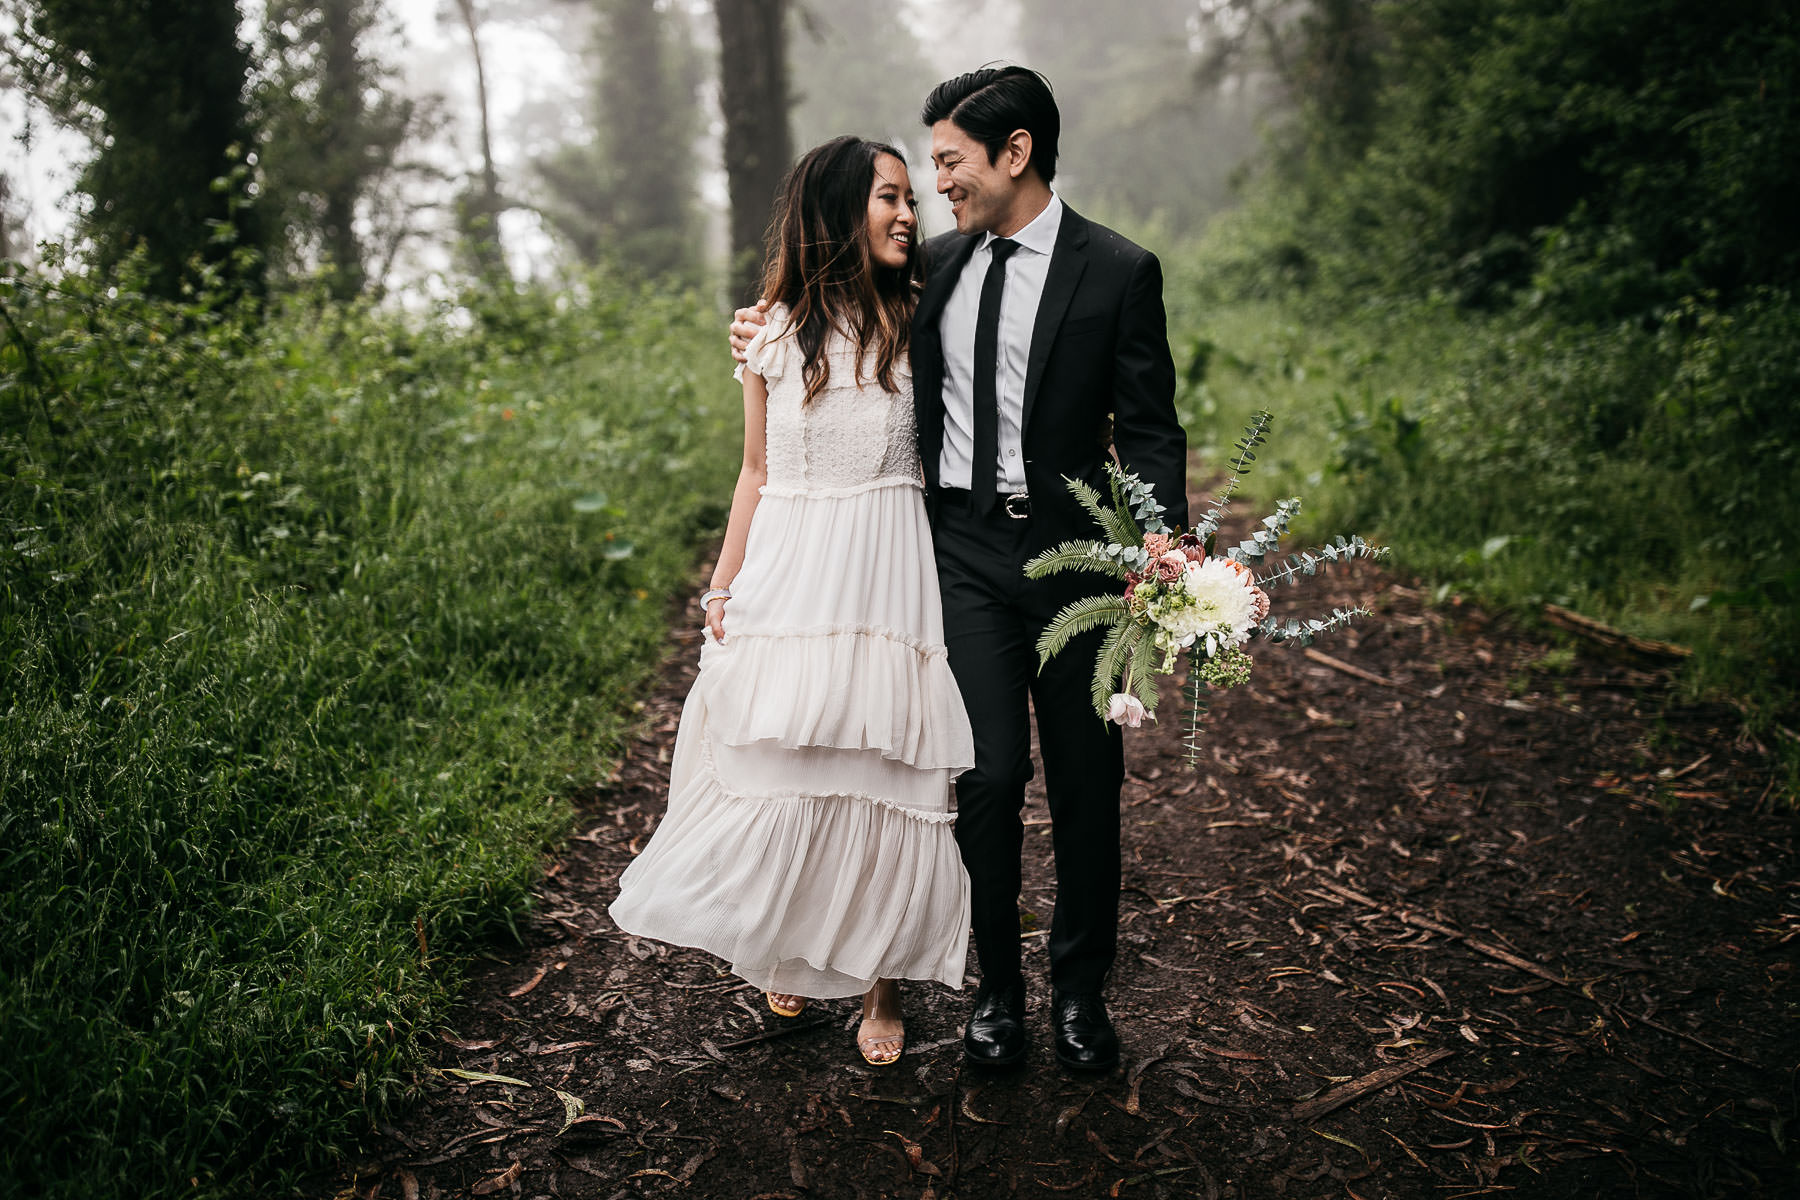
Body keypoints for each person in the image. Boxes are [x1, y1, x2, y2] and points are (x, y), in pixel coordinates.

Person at [733, 67, 1189, 1072]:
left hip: (1079, 559)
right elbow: (828, 304)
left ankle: (1079, 992)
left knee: (1085, 781)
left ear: (1013, 154)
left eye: (949, 161)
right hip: (964, 556)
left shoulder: (1118, 271)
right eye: (929, 165)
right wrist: (757, 326)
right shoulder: (928, 268)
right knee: (982, 777)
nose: (937, 182)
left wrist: (1161, 534)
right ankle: (998, 992)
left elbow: (1151, 430)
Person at [610, 136, 975, 1068]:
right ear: (836, 212)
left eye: (911, 198)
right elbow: (755, 471)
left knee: (891, 771)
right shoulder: (769, 334)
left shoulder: (924, 316)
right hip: (792, 565)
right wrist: (724, 582)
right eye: (887, 197)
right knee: (790, 760)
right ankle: (791, 944)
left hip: (890, 569)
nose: (907, 213)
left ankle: (882, 989)